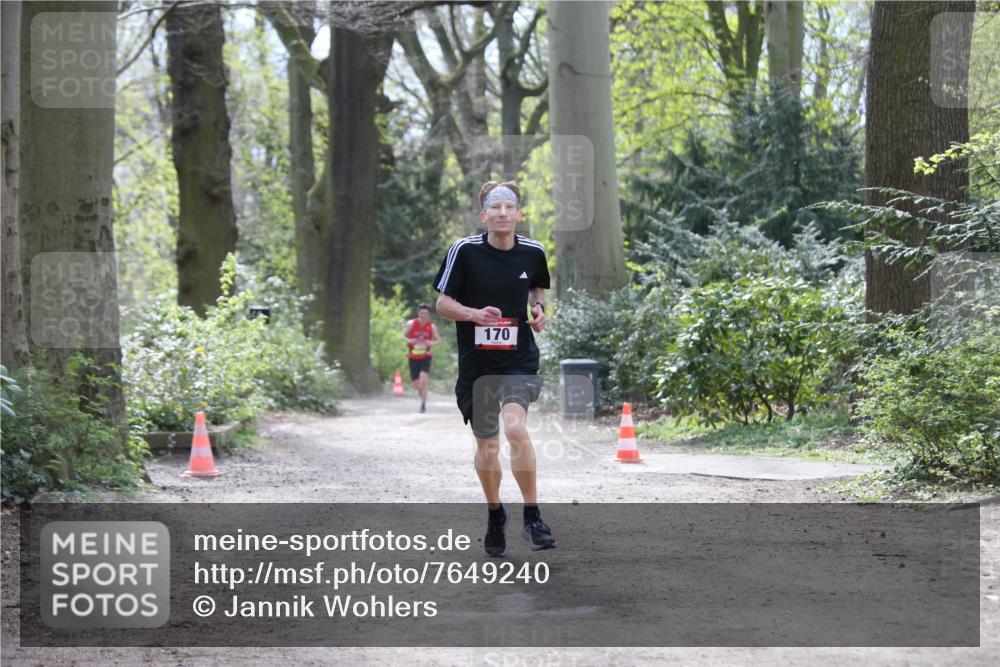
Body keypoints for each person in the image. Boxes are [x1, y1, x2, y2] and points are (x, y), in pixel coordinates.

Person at [433, 180, 556, 556]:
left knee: (515, 428)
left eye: (509, 207)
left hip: (518, 358)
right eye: (495, 208)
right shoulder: (464, 251)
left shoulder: (533, 251)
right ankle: (495, 513)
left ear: (519, 214)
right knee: (488, 447)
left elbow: (536, 288)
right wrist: (474, 314)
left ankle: (533, 516)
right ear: (484, 216)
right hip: (478, 366)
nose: (503, 213)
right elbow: (442, 303)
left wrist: (538, 310)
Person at [402, 303, 441, 413]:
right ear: (418, 313)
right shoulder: (411, 324)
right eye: (422, 313)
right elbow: (403, 336)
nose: (423, 315)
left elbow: (438, 340)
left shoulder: (431, 327)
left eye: (426, 314)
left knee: (423, 380)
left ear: (428, 315)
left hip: (425, 356)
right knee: (416, 385)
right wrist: (410, 341)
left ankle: (423, 405)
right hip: (413, 356)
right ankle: (421, 391)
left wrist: (430, 343)